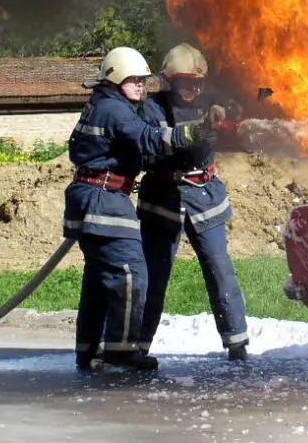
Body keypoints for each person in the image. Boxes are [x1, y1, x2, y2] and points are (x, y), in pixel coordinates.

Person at [65, 46, 216, 371]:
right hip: (104, 199)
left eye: (144, 80)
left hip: (90, 196)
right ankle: (121, 350)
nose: (142, 86)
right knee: (132, 273)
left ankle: (88, 351)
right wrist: (198, 131)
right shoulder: (117, 111)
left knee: (98, 278)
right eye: (134, 80)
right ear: (116, 78)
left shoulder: (100, 105)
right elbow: (150, 139)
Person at [136, 43, 250, 362]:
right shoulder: (152, 108)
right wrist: (198, 131)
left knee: (220, 269)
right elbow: (157, 143)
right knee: (154, 275)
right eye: (188, 82)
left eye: (198, 82)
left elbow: (239, 109)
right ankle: (138, 346)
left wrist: (227, 112)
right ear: (171, 82)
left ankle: (237, 342)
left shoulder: (210, 98)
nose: (194, 88)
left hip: (205, 195)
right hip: (163, 199)